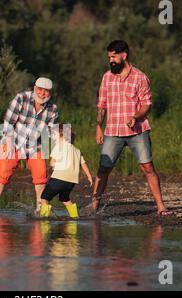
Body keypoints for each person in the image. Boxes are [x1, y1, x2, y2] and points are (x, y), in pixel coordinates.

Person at [82, 40, 172, 217]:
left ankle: (161, 207)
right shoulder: (107, 77)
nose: (111, 60)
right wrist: (98, 126)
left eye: (114, 56)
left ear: (124, 55)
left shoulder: (140, 77)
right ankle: (93, 206)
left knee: (147, 167)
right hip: (112, 131)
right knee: (103, 169)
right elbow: (102, 105)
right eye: (109, 57)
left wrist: (136, 117)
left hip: (137, 131)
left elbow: (147, 104)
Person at [0, 77, 59, 212]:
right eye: (40, 89)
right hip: (13, 141)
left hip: (35, 146)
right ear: (34, 88)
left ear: (50, 93)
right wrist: (8, 143)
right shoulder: (21, 98)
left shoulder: (53, 109)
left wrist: (58, 152)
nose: (42, 93)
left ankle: (40, 208)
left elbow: (53, 132)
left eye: (46, 91)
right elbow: (9, 122)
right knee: (2, 174)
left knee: (41, 175)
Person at [39, 124, 94, 218]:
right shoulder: (77, 150)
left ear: (62, 136)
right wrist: (89, 176)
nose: (53, 138)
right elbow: (83, 164)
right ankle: (75, 217)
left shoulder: (59, 146)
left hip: (58, 178)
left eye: (54, 135)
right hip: (71, 182)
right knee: (65, 199)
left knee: (44, 198)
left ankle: (44, 218)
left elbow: (52, 163)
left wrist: (53, 166)